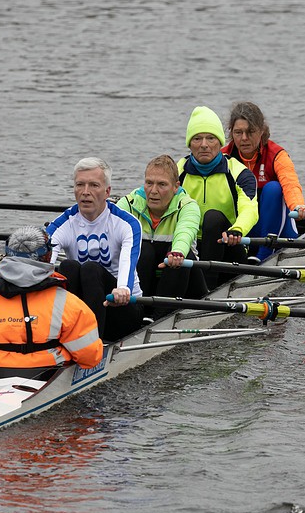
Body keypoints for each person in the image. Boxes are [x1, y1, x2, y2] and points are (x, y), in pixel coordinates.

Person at [0, 226, 104, 382]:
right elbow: (90, 358)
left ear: (7, 255)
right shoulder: (69, 304)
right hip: (46, 375)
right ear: (48, 256)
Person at [46, 157, 144, 341]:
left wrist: (122, 288)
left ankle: (91, 345)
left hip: (121, 308)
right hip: (83, 308)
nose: (85, 192)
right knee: (68, 267)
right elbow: (43, 262)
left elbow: (127, 265)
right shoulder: (63, 223)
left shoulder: (127, 224)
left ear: (107, 191)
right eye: (80, 185)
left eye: (93, 185)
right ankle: (66, 338)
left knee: (91, 269)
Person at [177, 106, 259, 288]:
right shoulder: (177, 172)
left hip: (228, 246)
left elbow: (250, 210)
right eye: (197, 138)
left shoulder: (238, 172)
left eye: (211, 138)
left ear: (220, 143)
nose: (204, 144)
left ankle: (207, 291)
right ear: (190, 144)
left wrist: (237, 230)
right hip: (189, 246)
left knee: (212, 217)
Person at [222, 101, 305, 260]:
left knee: (273, 188)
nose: (244, 138)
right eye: (238, 132)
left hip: (280, 231)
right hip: (242, 231)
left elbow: (290, 184)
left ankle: (266, 254)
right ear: (231, 132)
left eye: (250, 132)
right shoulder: (223, 157)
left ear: (262, 130)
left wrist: (298, 206)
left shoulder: (276, 155)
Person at [116, 154, 202, 306]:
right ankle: (138, 311)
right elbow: (110, 228)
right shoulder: (129, 203)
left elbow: (185, 232)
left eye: (162, 185)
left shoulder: (188, 206)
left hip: (181, 278)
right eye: (149, 183)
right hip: (142, 279)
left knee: (183, 256)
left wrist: (178, 252)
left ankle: (161, 315)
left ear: (176, 187)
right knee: (145, 250)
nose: (153, 191)